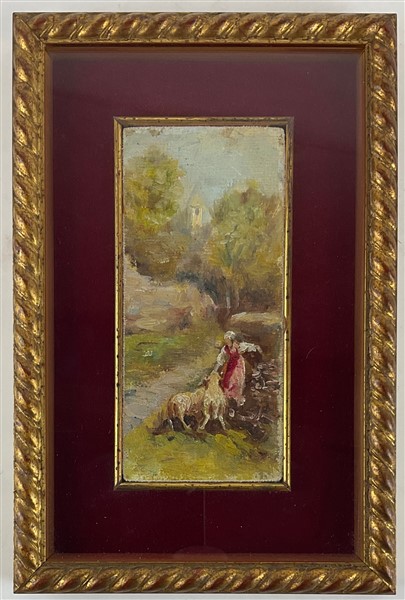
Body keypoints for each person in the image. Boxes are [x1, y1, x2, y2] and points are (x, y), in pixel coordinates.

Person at [213, 331, 246, 407]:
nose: (227, 342)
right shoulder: (225, 348)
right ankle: (228, 400)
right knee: (226, 380)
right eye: (226, 340)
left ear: (232, 339)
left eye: (228, 340)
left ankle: (235, 400)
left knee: (235, 381)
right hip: (230, 365)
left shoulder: (237, 345)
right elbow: (220, 359)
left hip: (238, 365)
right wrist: (215, 370)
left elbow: (244, 349)